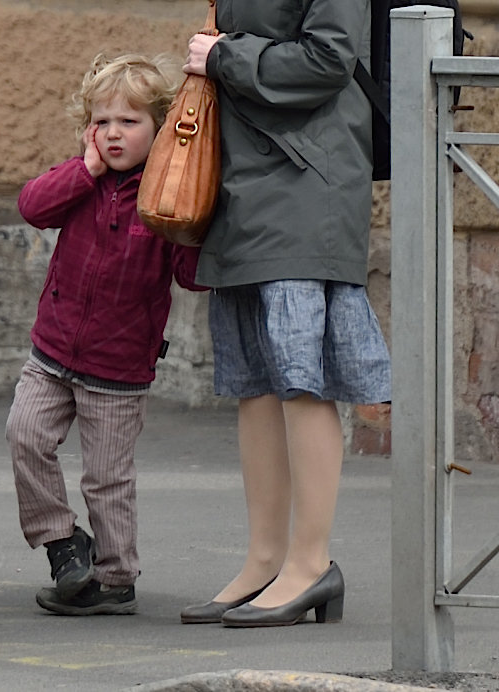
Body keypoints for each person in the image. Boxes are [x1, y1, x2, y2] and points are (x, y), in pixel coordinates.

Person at [177, 0, 391, 628]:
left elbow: (329, 58)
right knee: (254, 381)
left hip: (307, 178)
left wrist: (222, 55)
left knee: (302, 375)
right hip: (244, 179)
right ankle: (266, 557)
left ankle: (310, 562)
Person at [6, 54, 206, 616]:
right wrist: (86, 170)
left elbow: (192, 279)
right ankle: (64, 544)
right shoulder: (80, 180)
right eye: (102, 121)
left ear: (163, 127)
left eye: (130, 121)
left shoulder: (166, 195)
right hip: (52, 351)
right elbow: (32, 207)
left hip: (118, 366)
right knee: (25, 436)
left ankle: (116, 579)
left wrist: (195, 223)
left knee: (107, 478)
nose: (113, 133)